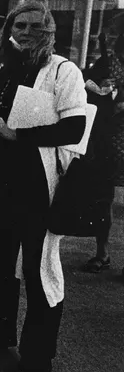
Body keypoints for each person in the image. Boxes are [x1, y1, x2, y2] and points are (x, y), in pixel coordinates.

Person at [0, 1, 87, 372]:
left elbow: (74, 129)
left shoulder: (63, 71)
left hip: (38, 186)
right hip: (0, 182)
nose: (25, 32)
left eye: (35, 26)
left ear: (48, 32)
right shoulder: (3, 70)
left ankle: (37, 356)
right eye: (19, 25)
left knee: (39, 270)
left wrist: (18, 135)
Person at [80, 15, 124, 272]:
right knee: (104, 197)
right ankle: (102, 251)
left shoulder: (112, 60)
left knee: (105, 197)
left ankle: (103, 252)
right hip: (110, 137)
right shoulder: (108, 62)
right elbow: (88, 83)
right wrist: (97, 89)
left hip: (113, 136)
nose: (107, 39)